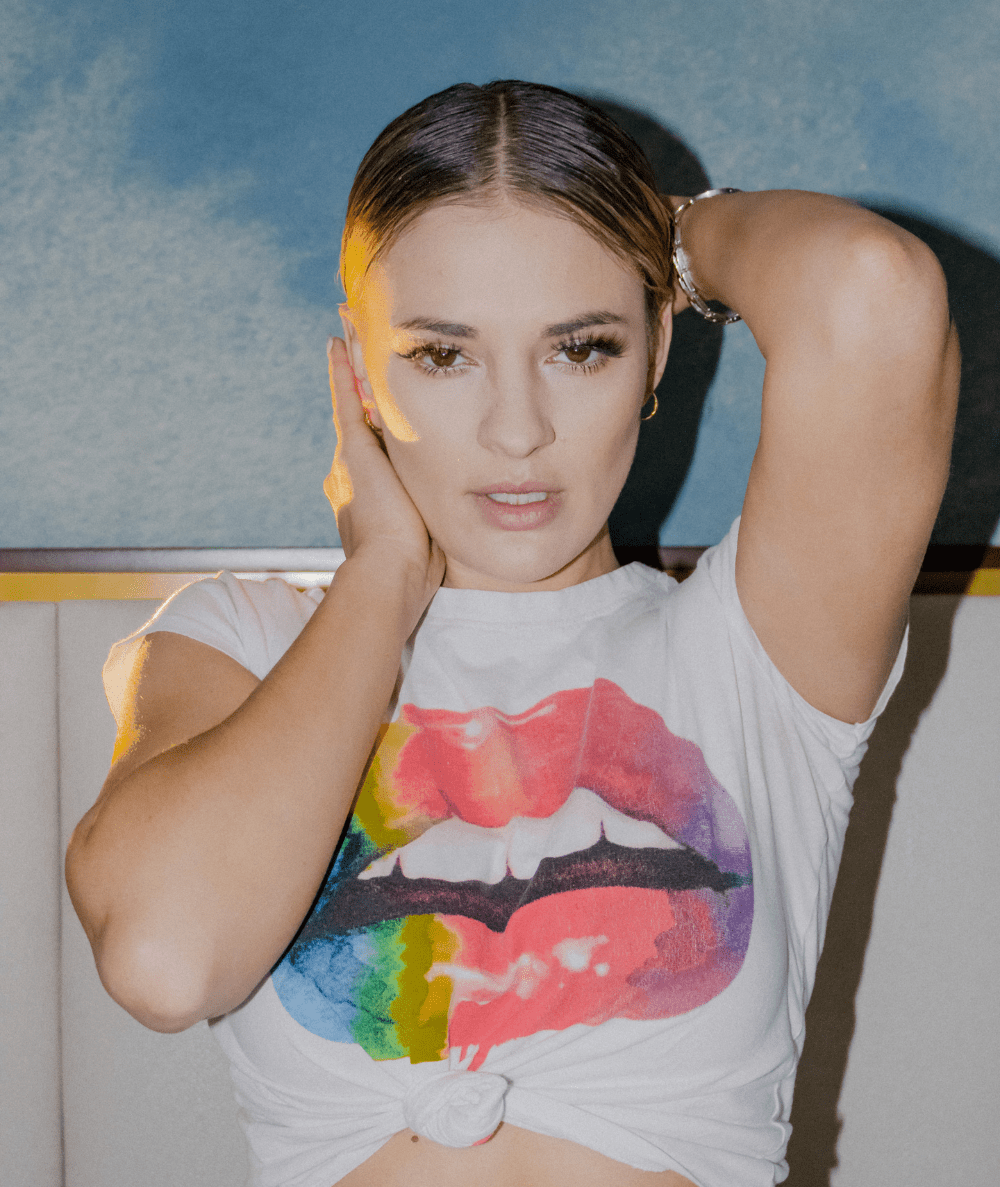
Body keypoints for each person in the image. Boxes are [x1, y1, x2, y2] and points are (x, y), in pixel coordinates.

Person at [65, 80, 958, 1187]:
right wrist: (385, 576)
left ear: (655, 348)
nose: (517, 427)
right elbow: (164, 957)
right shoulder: (238, 645)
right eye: (444, 355)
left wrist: (655, 231)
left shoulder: (752, 650)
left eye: (579, 345)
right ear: (356, 370)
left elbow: (870, 291)